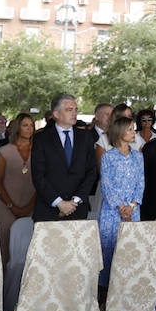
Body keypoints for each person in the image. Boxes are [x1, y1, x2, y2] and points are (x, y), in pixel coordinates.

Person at [31, 94, 97, 223]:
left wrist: (75, 201)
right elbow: (38, 175)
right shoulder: (41, 138)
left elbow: (91, 171)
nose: (74, 113)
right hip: (48, 210)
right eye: (69, 110)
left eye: (75, 109)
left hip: (78, 209)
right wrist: (59, 203)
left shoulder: (86, 137)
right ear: (56, 114)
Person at [97, 116, 143, 286]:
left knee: (130, 250)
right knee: (109, 251)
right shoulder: (108, 157)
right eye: (130, 129)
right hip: (111, 211)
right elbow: (106, 185)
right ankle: (105, 292)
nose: (134, 132)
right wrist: (121, 206)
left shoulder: (138, 157)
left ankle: (128, 288)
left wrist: (131, 206)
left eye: (134, 129)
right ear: (120, 132)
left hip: (133, 211)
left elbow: (141, 183)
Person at [0, 113, 37, 266]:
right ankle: (4, 287)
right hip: (7, 205)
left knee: (30, 248)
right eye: (25, 125)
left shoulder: (39, 150)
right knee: (5, 248)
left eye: (31, 125)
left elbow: (42, 181)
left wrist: (29, 206)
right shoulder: (4, 151)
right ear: (18, 128)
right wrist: (12, 206)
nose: (29, 129)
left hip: (33, 203)